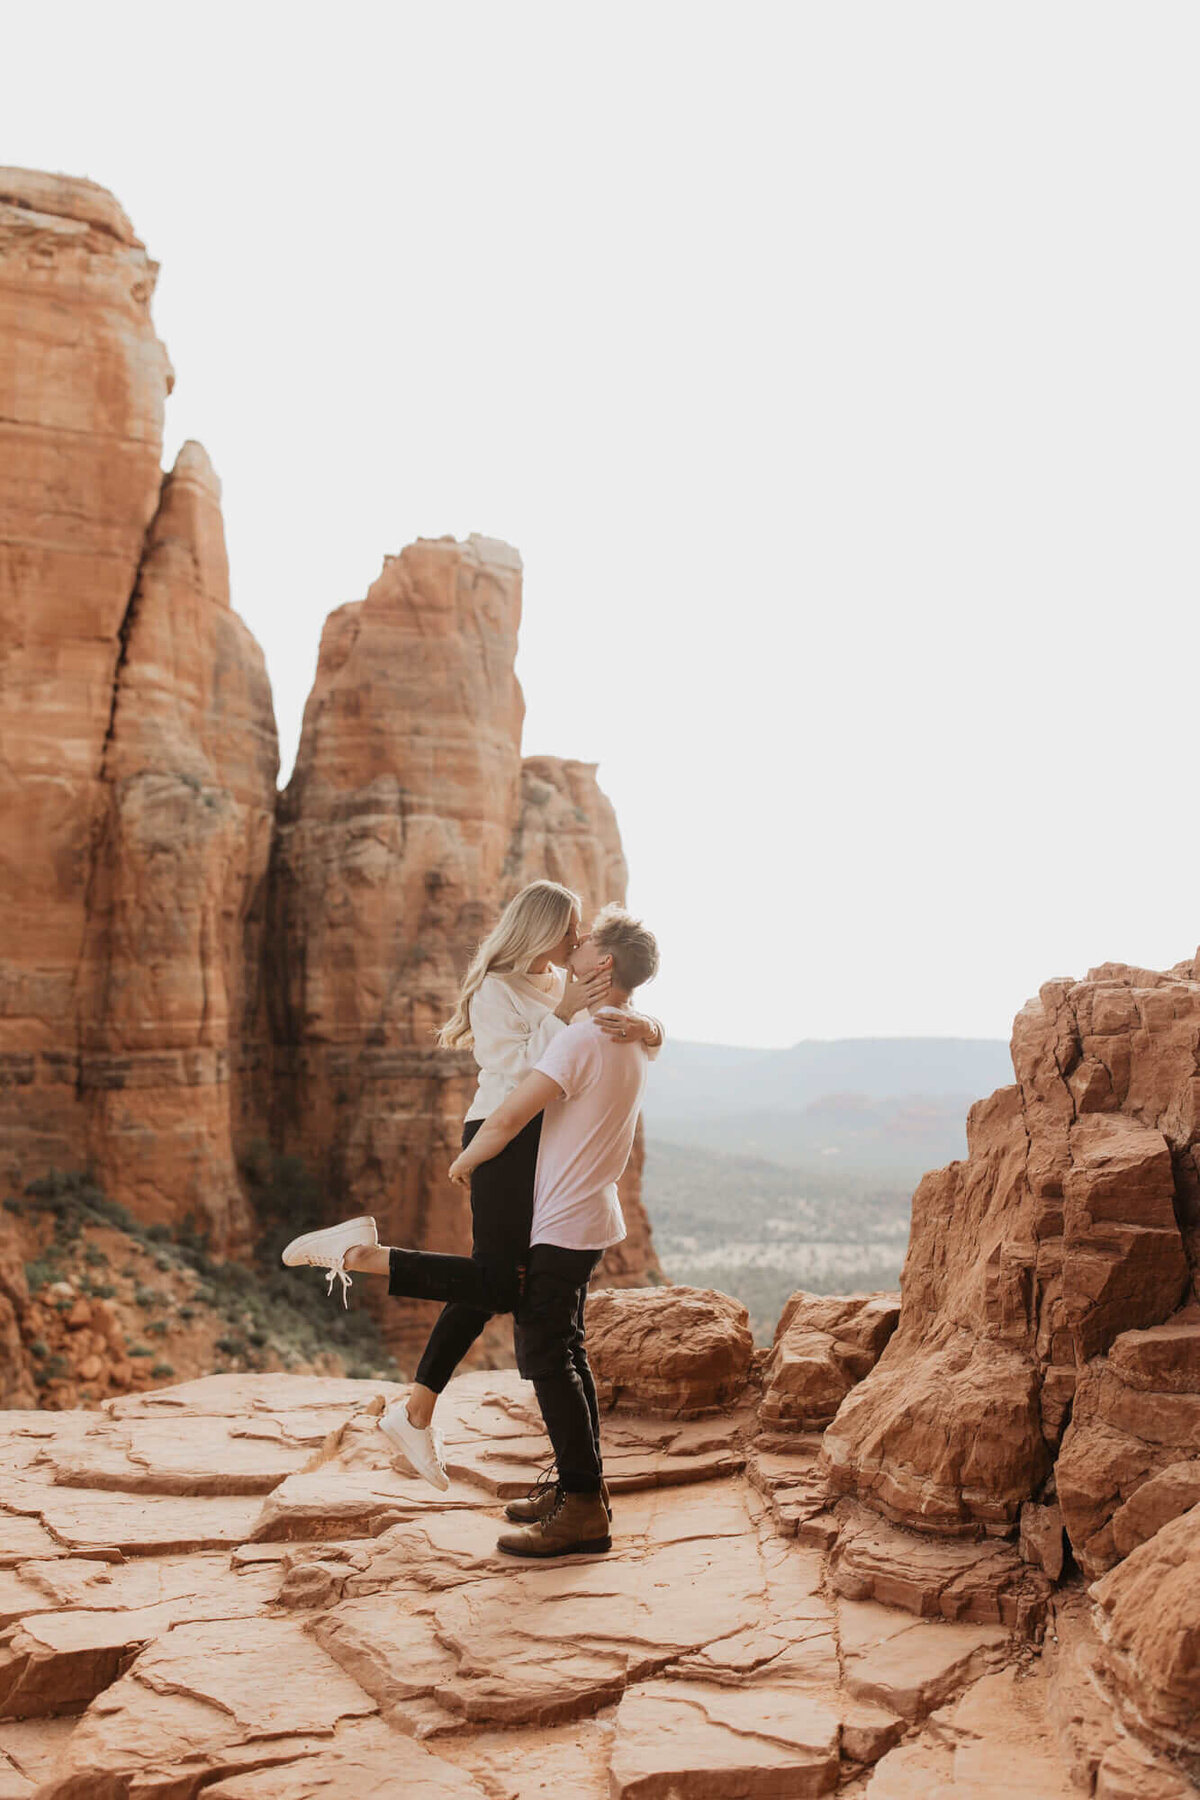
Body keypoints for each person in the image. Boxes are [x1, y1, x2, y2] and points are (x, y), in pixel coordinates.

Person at [280, 882, 660, 1490]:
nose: (577, 940)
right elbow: (517, 1075)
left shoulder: (561, 983)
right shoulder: (496, 990)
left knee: (492, 1281)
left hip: (538, 1137)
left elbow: (607, 1024)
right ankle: (358, 1258)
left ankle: (415, 1412)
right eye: (569, 930)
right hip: (499, 1134)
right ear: (538, 929)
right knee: (497, 1282)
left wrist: (649, 1022)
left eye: (581, 932)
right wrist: (565, 1015)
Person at [446, 903, 660, 1557]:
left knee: (547, 1359)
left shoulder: (583, 1036)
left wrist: (465, 1159)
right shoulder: (628, 1033)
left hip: (564, 1218)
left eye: (587, 937)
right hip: (588, 1213)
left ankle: (582, 1511)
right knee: (563, 1352)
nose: (577, 938)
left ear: (603, 964)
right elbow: (650, 1032)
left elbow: (509, 1116)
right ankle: (577, 1489)